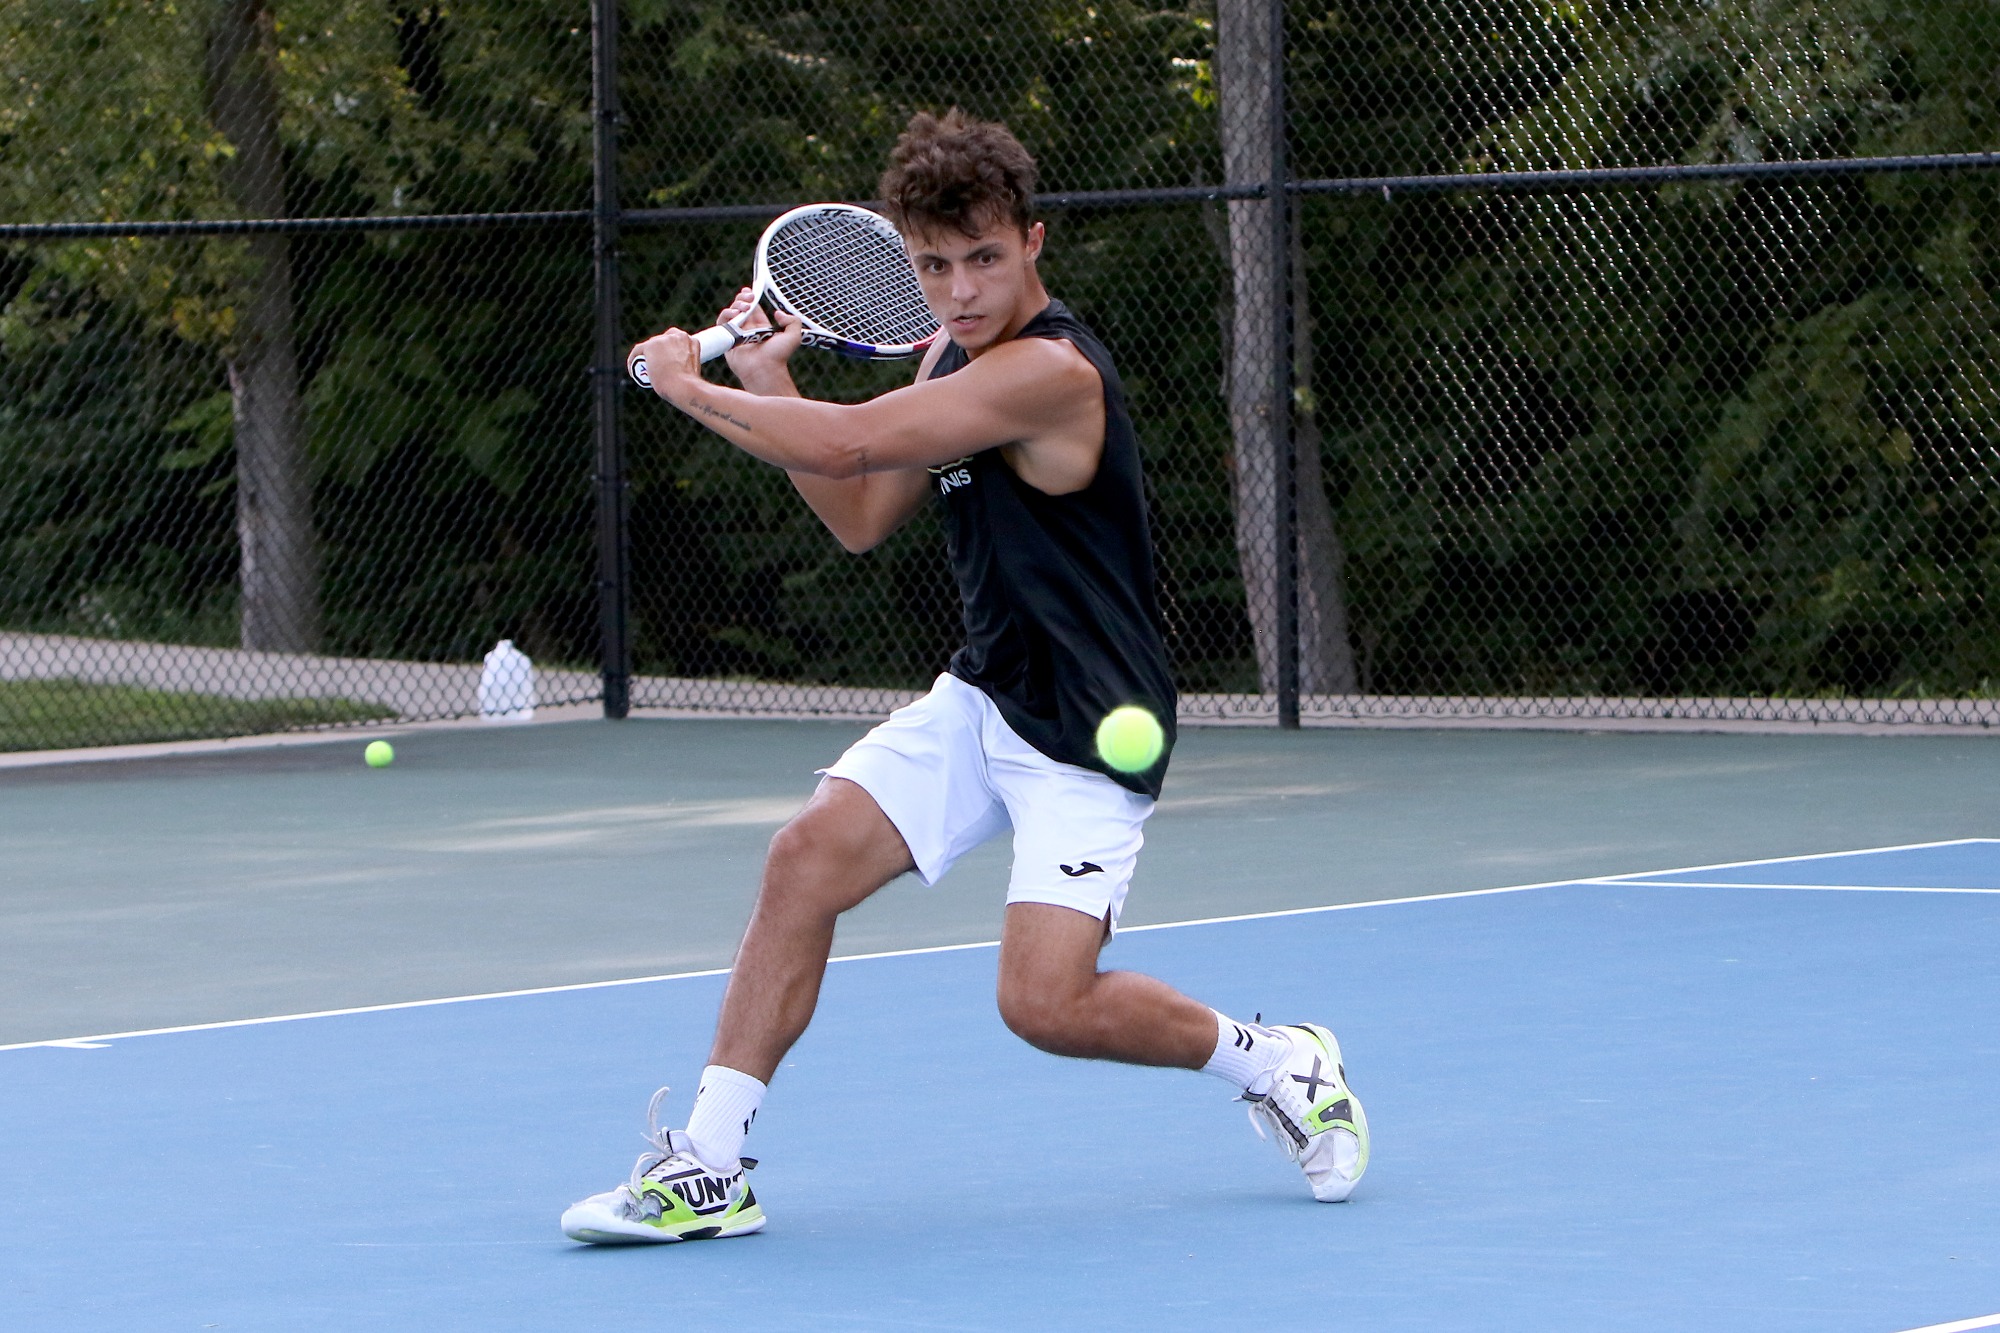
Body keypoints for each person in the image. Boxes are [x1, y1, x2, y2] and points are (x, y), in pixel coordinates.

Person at [561, 109, 1367, 1245]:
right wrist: (763, 374)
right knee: (802, 859)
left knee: (1044, 1003)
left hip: (1088, 723)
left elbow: (846, 443)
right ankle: (709, 1164)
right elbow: (859, 510)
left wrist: (689, 386)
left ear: (1032, 241)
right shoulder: (946, 356)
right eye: (933, 265)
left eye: (983, 258)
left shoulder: (1049, 372)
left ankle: (1274, 1060)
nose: (960, 290)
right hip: (984, 695)